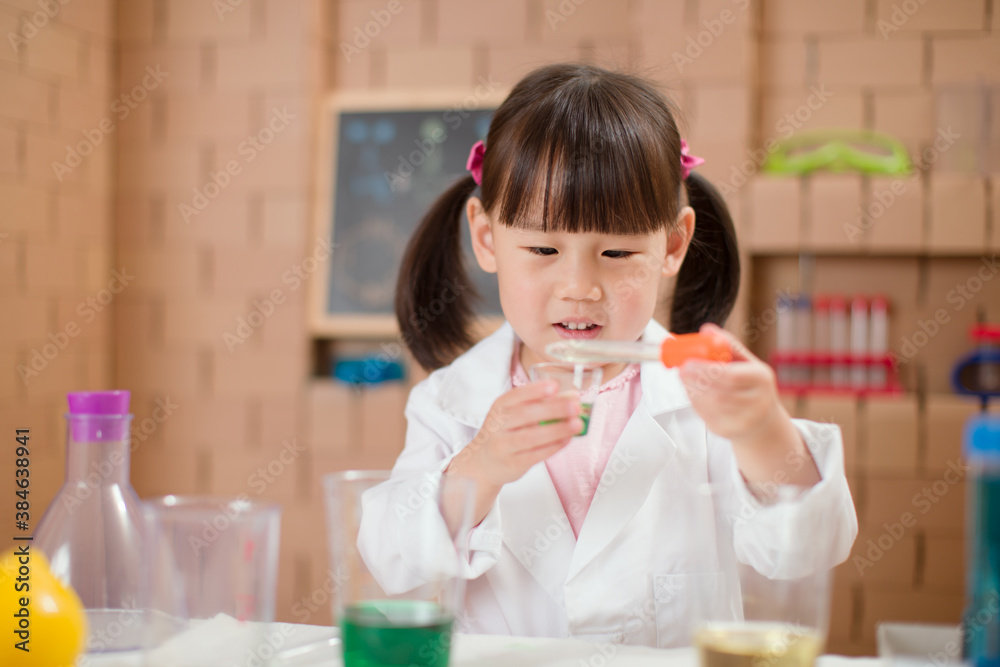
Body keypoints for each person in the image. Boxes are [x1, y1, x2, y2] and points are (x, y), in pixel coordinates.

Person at [358, 63, 857, 648]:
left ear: (672, 245)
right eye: (543, 249)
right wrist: (480, 467)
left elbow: (809, 549)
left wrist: (763, 432)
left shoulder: (703, 401)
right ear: (488, 238)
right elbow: (391, 559)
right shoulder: (448, 404)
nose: (579, 288)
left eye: (617, 254)